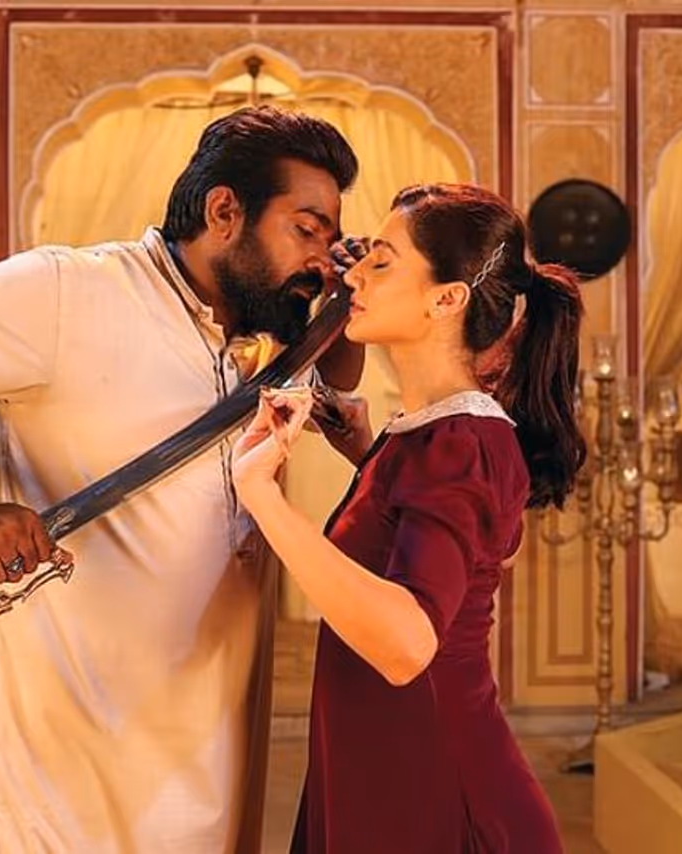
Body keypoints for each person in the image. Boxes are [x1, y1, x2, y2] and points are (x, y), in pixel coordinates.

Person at [0, 106, 365, 853]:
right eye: (307, 230)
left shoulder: (250, 343)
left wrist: (340, 308)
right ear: (224, 212)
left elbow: (331, 389)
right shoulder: (66, 292)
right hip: (62, 754)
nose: (321, 259)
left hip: (207, 749)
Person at [231, 183, 584, 853]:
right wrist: (367, 456)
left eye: (382, 262)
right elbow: (457, 540)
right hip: (388, 770)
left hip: (433, 792)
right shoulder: (433, 435)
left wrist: (262, 495)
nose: (353, 276)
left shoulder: (462, 441)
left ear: (446, 299)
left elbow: (405, 645)